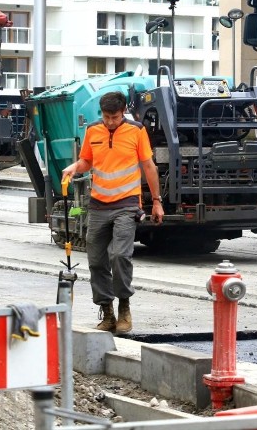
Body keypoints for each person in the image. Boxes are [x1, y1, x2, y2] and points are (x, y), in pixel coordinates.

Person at [61, 91, 164, 334]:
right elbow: (87, 161)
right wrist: (76, 167)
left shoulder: (136, 131)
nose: (109, 122)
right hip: (98, 205)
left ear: (124, 111)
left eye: (114, 117)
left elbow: (148, 165)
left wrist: (157, 201)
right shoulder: (93, 131)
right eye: (106, 117)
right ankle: (106, 311)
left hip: (127, 205)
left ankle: (124, 307)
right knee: (96, 260)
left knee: (119, 255)